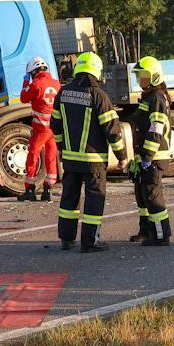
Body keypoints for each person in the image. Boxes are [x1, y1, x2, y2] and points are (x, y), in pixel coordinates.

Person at [51, 52, 127, 252]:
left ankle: (66, 240)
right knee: (94, 199)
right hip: (93, 161)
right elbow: (112, 130)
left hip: (70, 160)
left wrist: (61, 149)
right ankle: (90, 242)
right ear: (97, 71)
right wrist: (122, 157)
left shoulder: (63, 93)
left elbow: (55, 126)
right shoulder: (99, 96)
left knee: (69, 199)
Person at [129, 55, 174, 246]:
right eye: (139, 76)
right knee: (142, 194)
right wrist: (138, 159)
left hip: (154, 156)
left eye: (144, 76)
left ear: (154, 76)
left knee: (153, 195)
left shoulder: (156, 98)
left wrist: (147, 156)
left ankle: (161, 236)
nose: (141, 80)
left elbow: (156, 128)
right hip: (145, 156)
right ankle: (146, 231)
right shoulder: (149, 97)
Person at [18, 56, 60, 202]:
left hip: (41, 128)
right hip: (53, 127)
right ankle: (48, 188)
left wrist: (25, 81)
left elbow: (23, 97)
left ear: (33, 72)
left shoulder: (36, 84)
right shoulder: (56, 83)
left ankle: (30, 189)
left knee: (33, 155)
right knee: (51, 156)